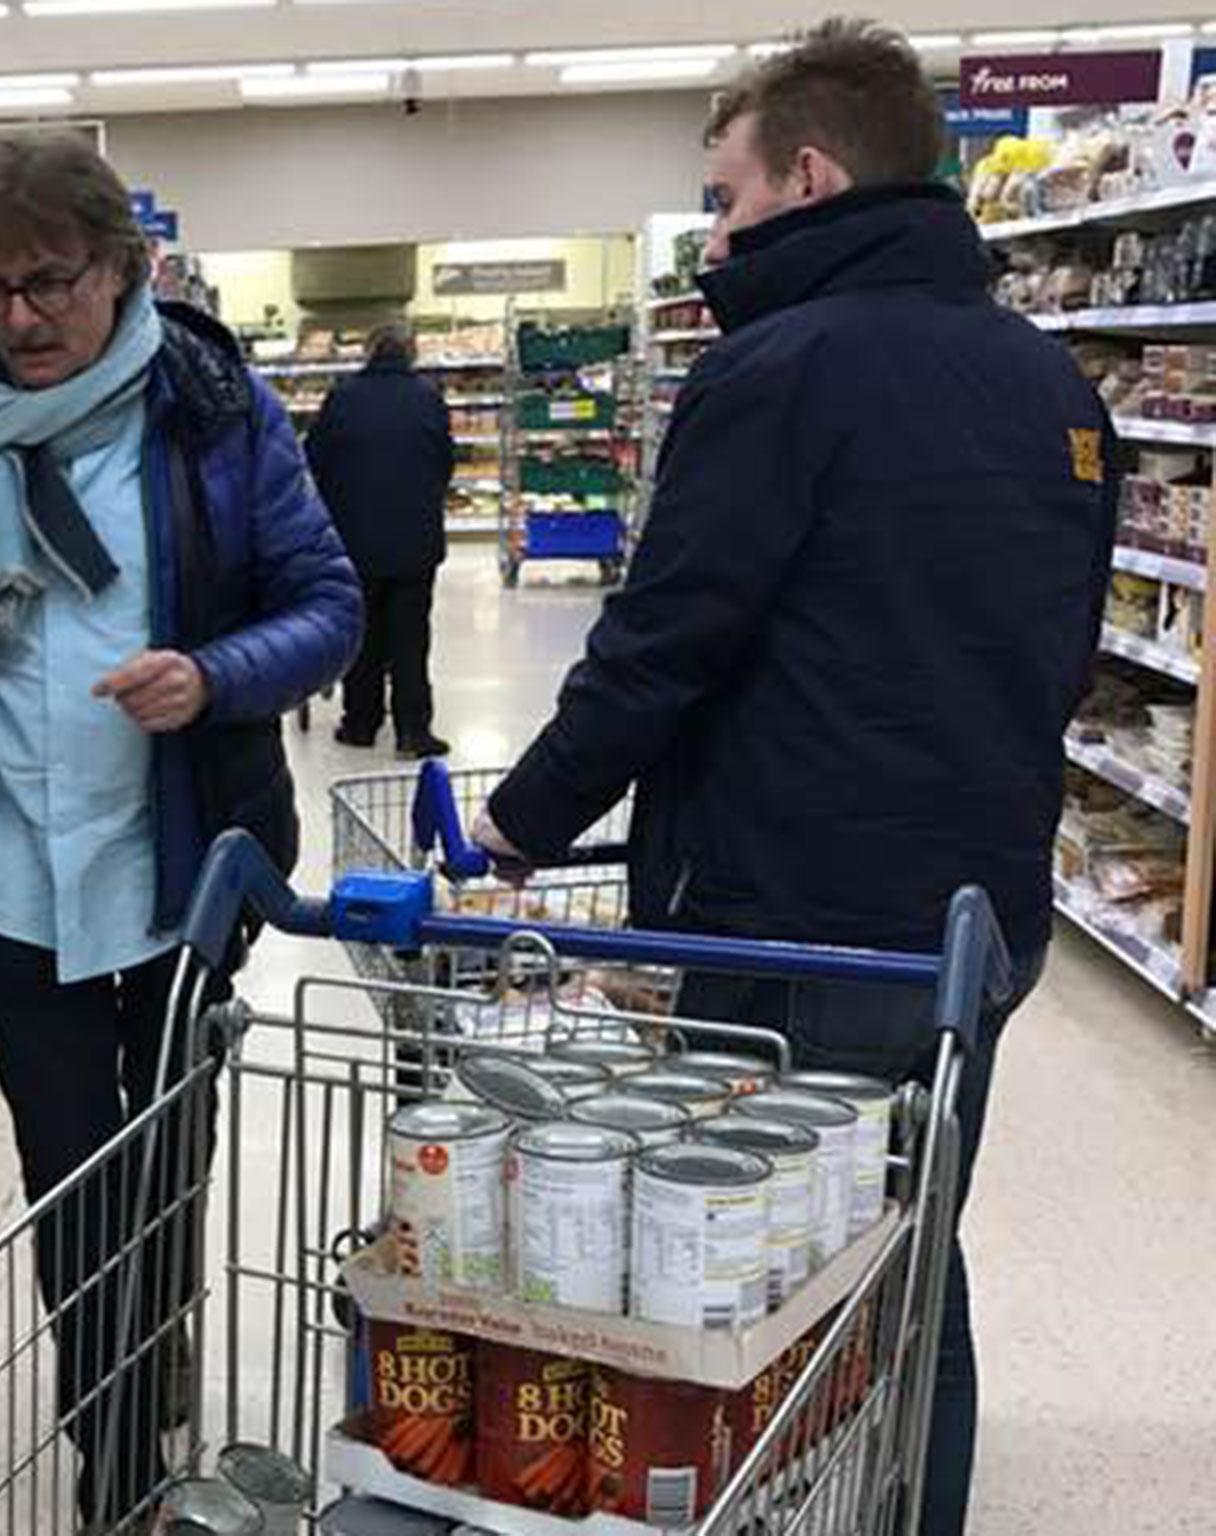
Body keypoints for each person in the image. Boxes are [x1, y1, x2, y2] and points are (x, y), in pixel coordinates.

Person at [471, 21, 1114, 1536]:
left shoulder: (774, 371)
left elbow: (661, 647)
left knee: (760, 1266)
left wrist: (516, 825)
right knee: (911, 1243)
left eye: (724, 194)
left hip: (799, 921)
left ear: (807, 176)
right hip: (979, 914)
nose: (714, 230)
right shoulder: (1056, 389)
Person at [0, 129, 360, 1531]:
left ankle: (157, 1346)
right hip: (13, 872)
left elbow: (328, 602)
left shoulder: (210, 404)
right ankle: (115, 1464)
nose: (20, 319)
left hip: (184, 866)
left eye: (51, 283)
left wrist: (214, 677)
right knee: (72, 1189)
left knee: (167, 1172)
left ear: (124, 269)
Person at [305, 323, 455, 757]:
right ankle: (413, 731)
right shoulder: (428, 398)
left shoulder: (343, 398)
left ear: (369, 351)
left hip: (355, 540)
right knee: (411, 636)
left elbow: (315, 461)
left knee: (363, 634)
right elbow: (444, 462)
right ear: (410, 352)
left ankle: (361, 723)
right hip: (415, 540)